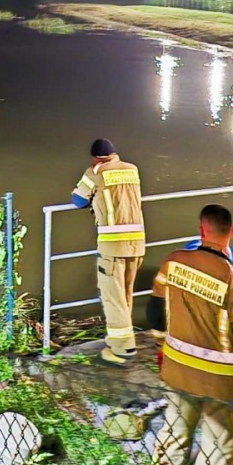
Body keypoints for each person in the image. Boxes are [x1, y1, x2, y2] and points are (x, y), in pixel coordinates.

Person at [145, 204, 233, 465]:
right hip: (221, 383)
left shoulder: (174, 262)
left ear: (201, 229)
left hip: (178, 371)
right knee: (217, 449)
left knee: (175, 433)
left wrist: (163, 349)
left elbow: (155, 311)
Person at [70, 138, 145, 365]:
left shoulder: (96, 171)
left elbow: (78, 200)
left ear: (95, 157)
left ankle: (122, 350)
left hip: (113, 244)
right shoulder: (132, 169)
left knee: (113, 297)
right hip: (137, 242)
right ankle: (122, 339)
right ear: (114, 153)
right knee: (125, 295)